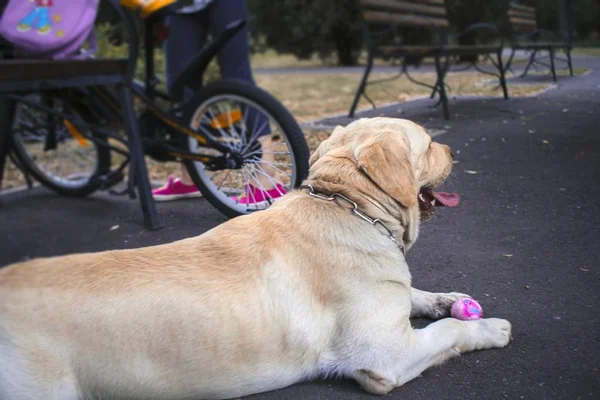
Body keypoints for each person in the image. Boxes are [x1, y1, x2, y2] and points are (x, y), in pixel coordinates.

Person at [152, 0, 285, 204]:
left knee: (237, 79)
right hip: (178, 6)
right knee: (179, 87)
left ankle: (267, 179)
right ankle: (189, 177)